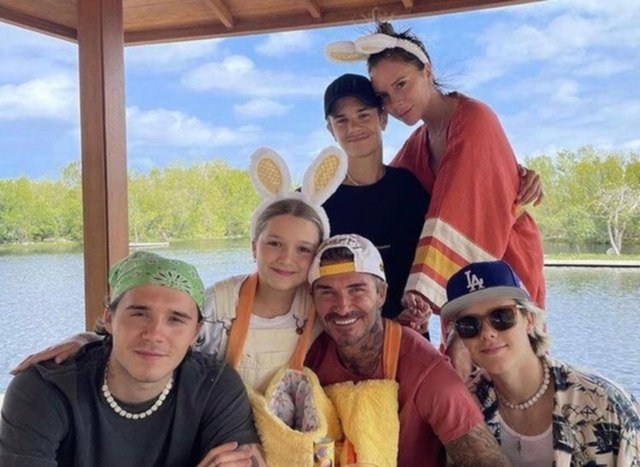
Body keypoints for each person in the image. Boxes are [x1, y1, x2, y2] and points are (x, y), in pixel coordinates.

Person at [12, 147, 347, 394]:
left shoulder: (320, 306)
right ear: (253, 247)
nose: (286, 258)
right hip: (218, 425)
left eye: (303, 249)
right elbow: (158, 337)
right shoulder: (218, 303)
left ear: (316, 255)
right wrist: (84, 340)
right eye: (274, 243)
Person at [325, 23, 546, 363]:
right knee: (469, 365)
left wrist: (420, 296)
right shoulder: (419, 141)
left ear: (427, 71)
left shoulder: (474, 119)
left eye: (402, 84)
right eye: (384, 96)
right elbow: (382, 188)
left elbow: (463, 209)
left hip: (503, 254)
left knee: (508, 363)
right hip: (457, 271)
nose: (396, 102)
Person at [0, 251, 265, 467]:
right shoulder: (44, 390)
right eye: (139, 314)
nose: (155, 334)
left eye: (176, 319)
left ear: (195, 333)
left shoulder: (214, 385)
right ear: (109, 319)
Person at [304, 233, 510, 466]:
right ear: (312, 299)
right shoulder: (308, 355)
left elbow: (486, 460)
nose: (342, 307)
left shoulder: (425, 368)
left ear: (381, 294)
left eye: (356, 289)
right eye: (327, 292)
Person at [442, 260, 640, 466]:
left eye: (501, 316)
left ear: (529, 319)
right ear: (461, 336)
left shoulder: (605, 404)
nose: (487, 333)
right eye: (469, 324)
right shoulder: (462, 406)